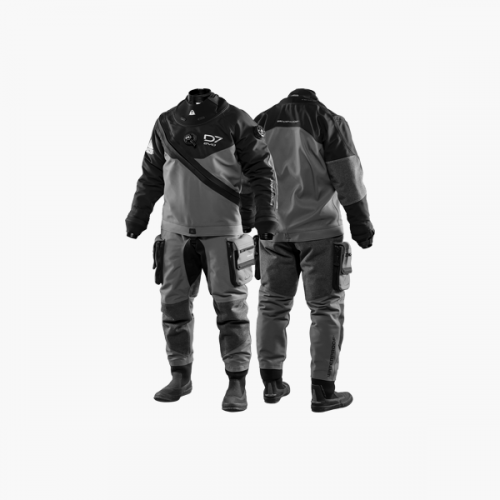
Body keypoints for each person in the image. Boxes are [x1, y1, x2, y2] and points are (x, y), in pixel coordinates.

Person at [126, 88, 278, 412]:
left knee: (231, 309)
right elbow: (151, 175)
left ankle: (237, 382)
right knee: (173, 306)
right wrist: (137, 216)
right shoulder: (167, 123)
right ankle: (180, 376)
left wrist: (265, 217)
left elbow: (262, 171)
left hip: (223, 232)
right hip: (174, 232)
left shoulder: (236, 120)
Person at [254, 88, 374, 412]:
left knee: (272, 304)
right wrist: (362, 225)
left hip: (272, 233)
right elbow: (348, 178)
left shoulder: (262, 121)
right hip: (320, 232)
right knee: (325, 309)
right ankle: (322, 392)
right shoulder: (329, 121)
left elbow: (244, 175)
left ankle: (271, 385)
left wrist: (248, 219)